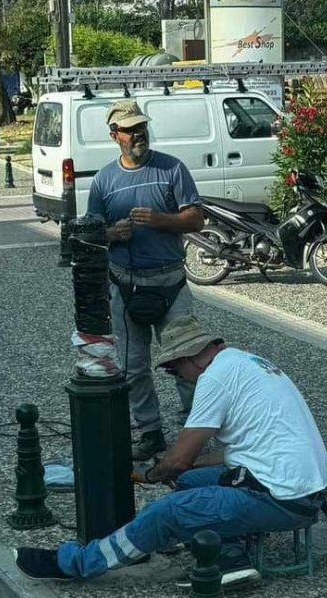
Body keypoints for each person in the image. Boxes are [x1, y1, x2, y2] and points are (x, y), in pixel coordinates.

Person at [15, 316, 327, 587]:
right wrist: (184, 470)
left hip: (278, 498)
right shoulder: (245, 362)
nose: (174, 375)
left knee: (166, 511)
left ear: (189, 356)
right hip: (303, 491)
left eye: (172, 369)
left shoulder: (215, 378)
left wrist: (152, 474)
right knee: (190, 483)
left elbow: (180, 458)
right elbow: (230, 452)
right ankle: (229, 558)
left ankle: (76, 564)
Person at [86, 99, 204, 461]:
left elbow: (196, 219)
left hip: (171, 285)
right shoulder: (104, 180)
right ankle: (150, 432)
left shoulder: (172, 169)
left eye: (142, 127)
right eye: (130, 129)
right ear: (114, 135)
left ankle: (196, 434)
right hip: (125, 287)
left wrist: (161, 220)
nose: (139, 134)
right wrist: (111, 233)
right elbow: (90, 233)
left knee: (189, 362)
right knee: (133, 366)